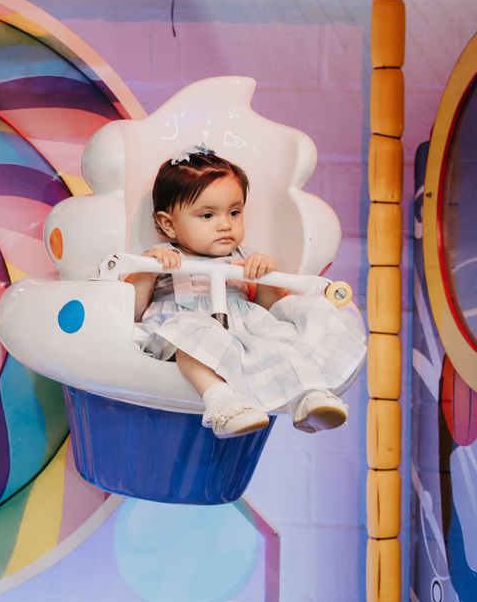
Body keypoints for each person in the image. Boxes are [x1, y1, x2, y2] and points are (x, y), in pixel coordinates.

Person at [125, 145, 367, 439]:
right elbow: (130, 311)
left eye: (234, 212)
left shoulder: (244, 257)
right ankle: (223, 405)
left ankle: (310, 396)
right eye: (207, 215)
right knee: (191, 338)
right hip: (184, 328)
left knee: (279, 337)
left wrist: (265, 278)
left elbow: (269, 310)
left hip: (241, 327)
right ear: (169, 224)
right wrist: (148, 269)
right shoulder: (163, 257)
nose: (225, 224)